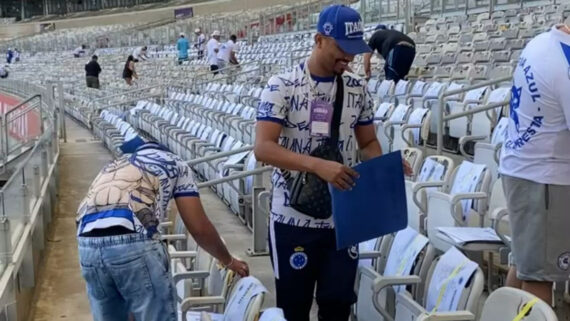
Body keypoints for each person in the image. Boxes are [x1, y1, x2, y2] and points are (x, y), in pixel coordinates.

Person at [254, 5, 412, 321]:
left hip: (342, 218)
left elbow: (367, 142)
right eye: (342, 49)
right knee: (293, 307)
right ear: (319, 40)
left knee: (338, 304)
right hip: (292, 219)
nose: (349, 58)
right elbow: (263, 148)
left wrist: (384, 167)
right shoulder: (282, 85)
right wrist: (316, 165)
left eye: (354, 51)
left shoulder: (357, 88)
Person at [76, 136, 249, 321]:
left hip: (86, 242)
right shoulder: (176, 164)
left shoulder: (113, 165)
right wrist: (228, 261)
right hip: (134, 238)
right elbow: (199, 227)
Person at [499, 22, 570, 307]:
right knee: (539, 278)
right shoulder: (564, 64)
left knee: (526, 264)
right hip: (545, 181)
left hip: (525, 172)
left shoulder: (541, 42)